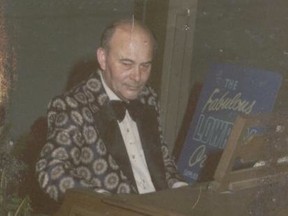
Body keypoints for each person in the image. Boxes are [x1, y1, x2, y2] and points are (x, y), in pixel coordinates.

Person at [35, 18, 187, 202]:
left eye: (145, 65)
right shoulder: (73, 105)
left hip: (159, 206)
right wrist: (102, 204)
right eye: (126, 64)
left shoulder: (148, 97)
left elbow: (162, 160)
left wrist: (182, 189)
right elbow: (51, 169)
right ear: (103, 58)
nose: (137, 77)